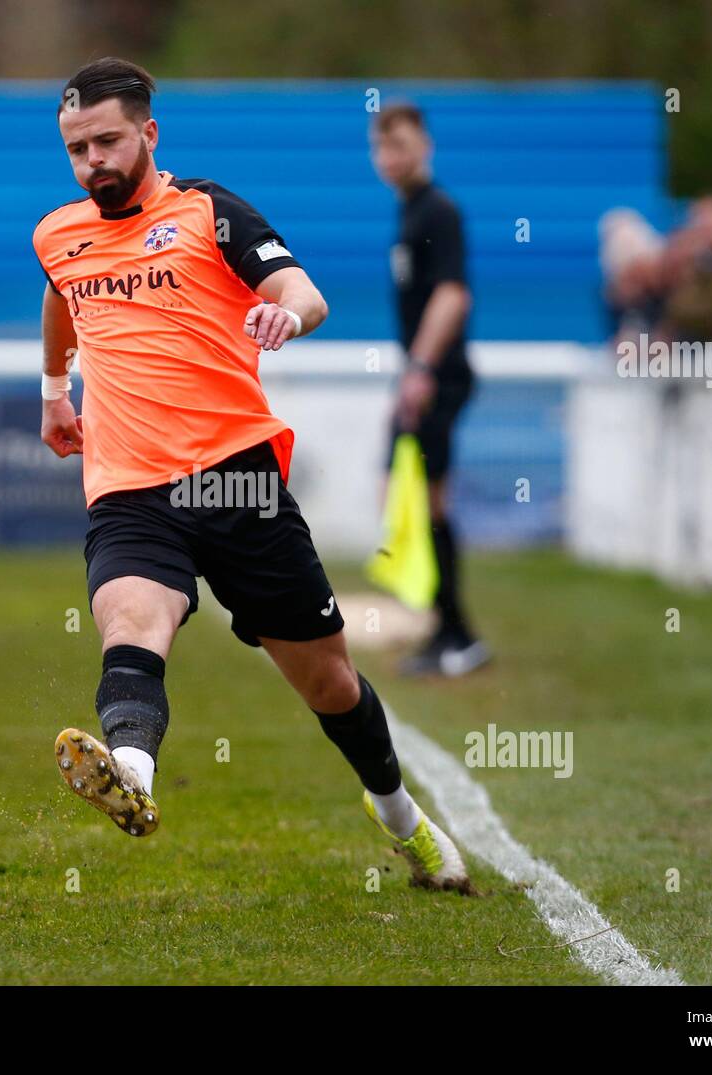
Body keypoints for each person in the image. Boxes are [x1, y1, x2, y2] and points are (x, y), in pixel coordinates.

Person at [33, 58, 471, 892]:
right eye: (77, 147)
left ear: (149, 134)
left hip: (235, 483)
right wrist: (56, 391)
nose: (93, 160)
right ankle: (132, 775)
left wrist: (284, 312)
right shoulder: (58, 233)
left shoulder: (206, 210)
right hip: (129, 485)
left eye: (108, 141)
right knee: (131, 616)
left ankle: (399, 816)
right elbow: (61, 295)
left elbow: (305, 291)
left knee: (328, 680)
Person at [369, 102, 488, 678]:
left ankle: (457, 635)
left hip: (437, 377)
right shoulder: (410, 213)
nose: (393, 157)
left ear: (426, 147)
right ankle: (445, 627)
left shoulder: (439, 212)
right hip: (423, 375)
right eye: (385, 147)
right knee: (408, 498)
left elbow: (453, 295)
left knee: (428, 502)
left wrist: (419, 369)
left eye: (403, 145)